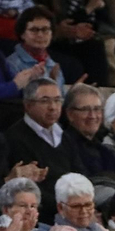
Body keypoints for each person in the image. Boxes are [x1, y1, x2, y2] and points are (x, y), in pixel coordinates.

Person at [6, 77, 82, 219]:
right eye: (45, 101)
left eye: (57, 100)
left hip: (73, 209)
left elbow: (79, 173)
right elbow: (32, 190)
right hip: (45, 215)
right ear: (28, 105)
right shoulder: (16, 138)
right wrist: (67, 207)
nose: (53, 107)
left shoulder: (65, 136)